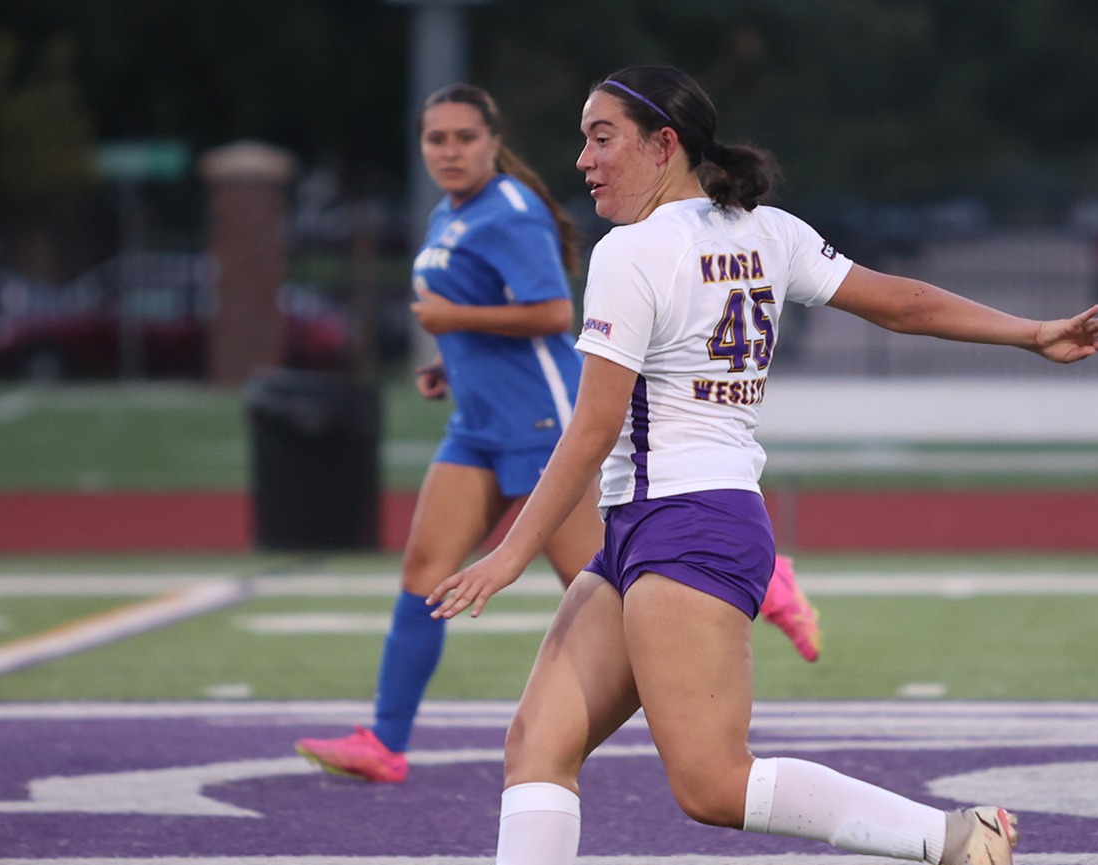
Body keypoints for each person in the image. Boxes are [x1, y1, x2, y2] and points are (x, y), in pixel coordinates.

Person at [381, 66, 1098, 865]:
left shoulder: (632, 250)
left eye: (602, 137)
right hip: (659, 527)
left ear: (665, 144)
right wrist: (1031, 333)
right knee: (539, 742)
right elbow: (898, 302)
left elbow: (592, 428)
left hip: (685, 525)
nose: (583, 159)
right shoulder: (763, 231)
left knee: (710, 783)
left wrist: (509, 552)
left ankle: (955, 836)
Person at [295, 84, 824, 787]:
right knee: (424, 570)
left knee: (606, 582)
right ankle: (386, 741)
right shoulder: (448, 213)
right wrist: (452, 361)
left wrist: (455, 323)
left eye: (464, 137)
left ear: (493, 142)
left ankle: (763, 580)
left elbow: (548, 313)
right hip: (476, 425)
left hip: (541, 421)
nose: (449, 151)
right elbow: (481, 311)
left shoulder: (510, 211)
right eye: (435, 139)